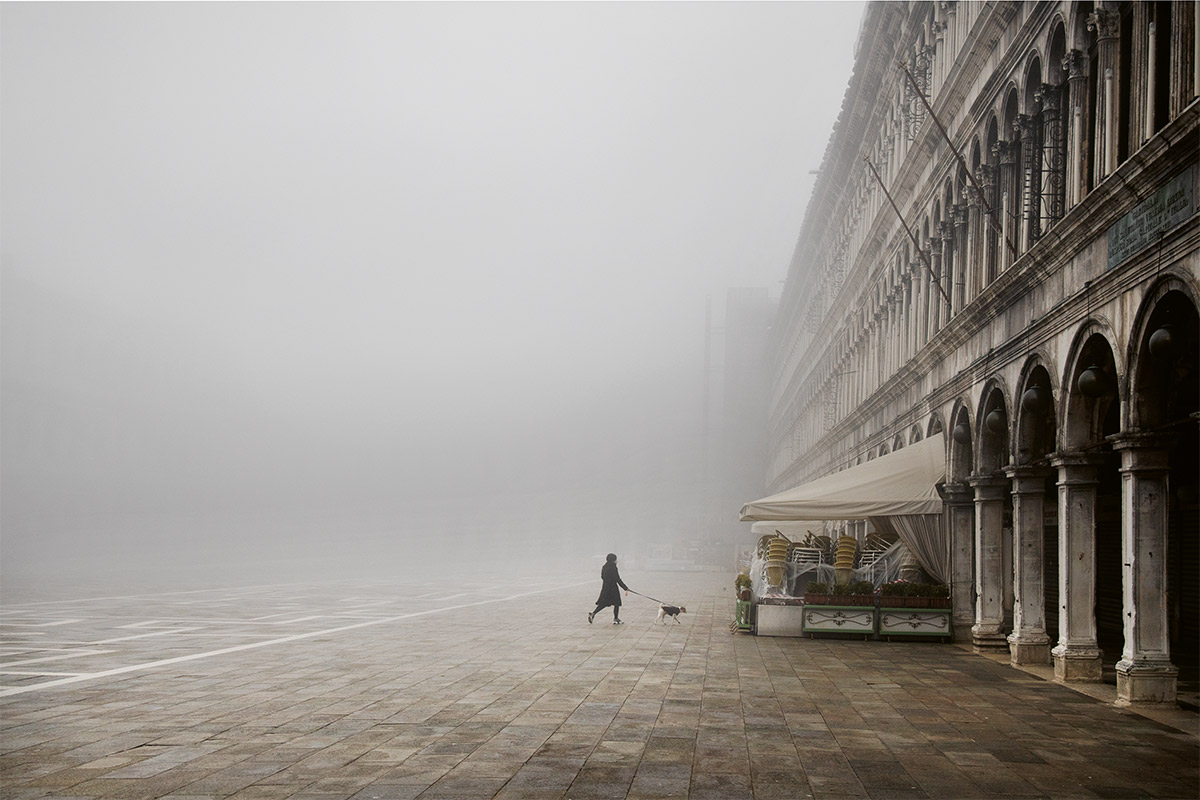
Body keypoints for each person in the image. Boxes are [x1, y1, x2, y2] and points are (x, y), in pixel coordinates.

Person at [589, 553, 629, 625]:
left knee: (604, 603)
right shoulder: (613, 567)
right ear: (613, 560)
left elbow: (602, 577)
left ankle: (593, 613)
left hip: (605, 587)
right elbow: (617, 579)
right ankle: (616, 618)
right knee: (616, 603)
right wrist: (625, 587)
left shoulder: (604, 566)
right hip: (613, 588)